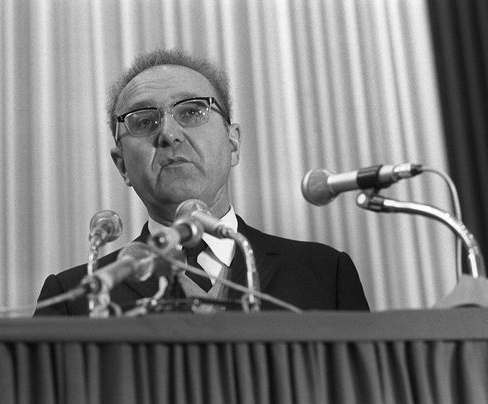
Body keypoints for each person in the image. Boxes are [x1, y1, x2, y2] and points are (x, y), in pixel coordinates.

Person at [34, 49, 369, 315]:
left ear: (233, 143)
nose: (168, 134)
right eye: (144, 120)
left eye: (192, 112)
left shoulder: (325, 274)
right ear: (122, 165)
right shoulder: (74, 296)